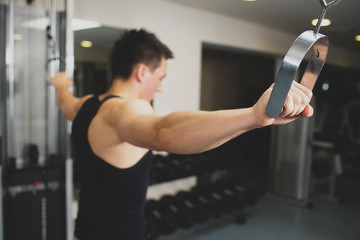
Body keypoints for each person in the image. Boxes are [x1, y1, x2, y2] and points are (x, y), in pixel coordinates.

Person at [51, 29, 313, 240]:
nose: (161, 87)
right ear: (142, 72)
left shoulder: (85, 105)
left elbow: (64, 101)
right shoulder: (128, 110)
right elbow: (163, 131)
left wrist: (60, 83)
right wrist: (252, 117)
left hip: (85, 229)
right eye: (161, 77)